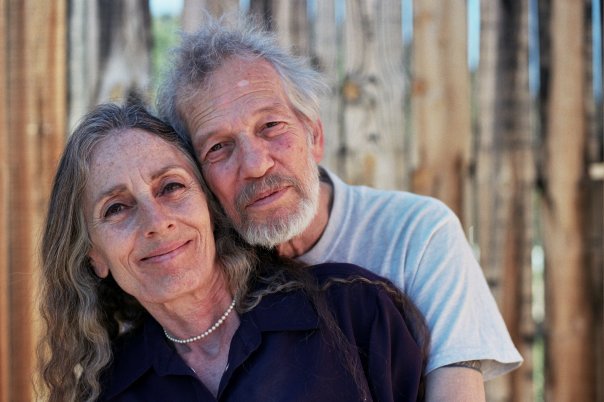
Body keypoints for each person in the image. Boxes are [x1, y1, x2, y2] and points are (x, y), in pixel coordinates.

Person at [156, 15, 523, 401]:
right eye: (218, 147)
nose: (255, 164)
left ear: (314, 135)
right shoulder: (204, 276)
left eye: (271, 126)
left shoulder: (417, 234)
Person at [37, 101, 430, 402]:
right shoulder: (113, 390)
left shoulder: (353, 311)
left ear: (209, 205)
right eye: (117, 208)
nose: (156, 221)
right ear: (94, 256)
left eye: (171, 187)